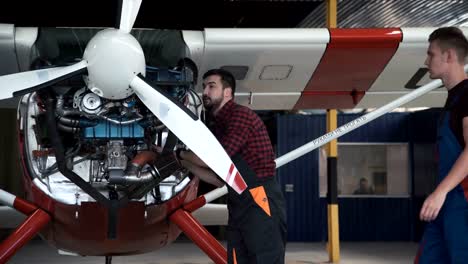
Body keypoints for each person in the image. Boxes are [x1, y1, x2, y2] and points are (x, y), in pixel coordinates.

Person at [176, 68, 287, 264]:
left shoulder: (240, 116)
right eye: (204, 87)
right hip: (238, 203)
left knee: (264, 258)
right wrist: (181, 162)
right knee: (237, 259)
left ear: (227, 92)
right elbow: (218, 179)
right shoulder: (219, 125)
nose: (205, 92)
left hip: (259, 199)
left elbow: (213, 159)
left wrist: (179, 153)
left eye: (212, 86)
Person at [414, 27, 468, 263]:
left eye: (431, 54)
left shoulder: (467, 95)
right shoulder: (453, 98)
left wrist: (441, 192)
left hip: (462, 202)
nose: (427, 61)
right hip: (446, 203)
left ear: (449, 56)